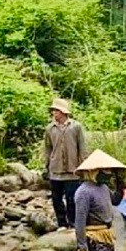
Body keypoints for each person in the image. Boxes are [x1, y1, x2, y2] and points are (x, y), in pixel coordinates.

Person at [45, 98, 87, 229]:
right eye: (53, 111)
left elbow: (82, 148)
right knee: (56, 199)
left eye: (56, 111)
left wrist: (83, 167)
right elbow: (47, 149)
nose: (54, 113)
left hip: (72, 170)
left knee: (72, 199)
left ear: (63, 112)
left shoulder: (76, 127)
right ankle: (61, 223)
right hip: (55, 170)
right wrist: (46, 165)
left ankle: (73, 223)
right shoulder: (49, 129)